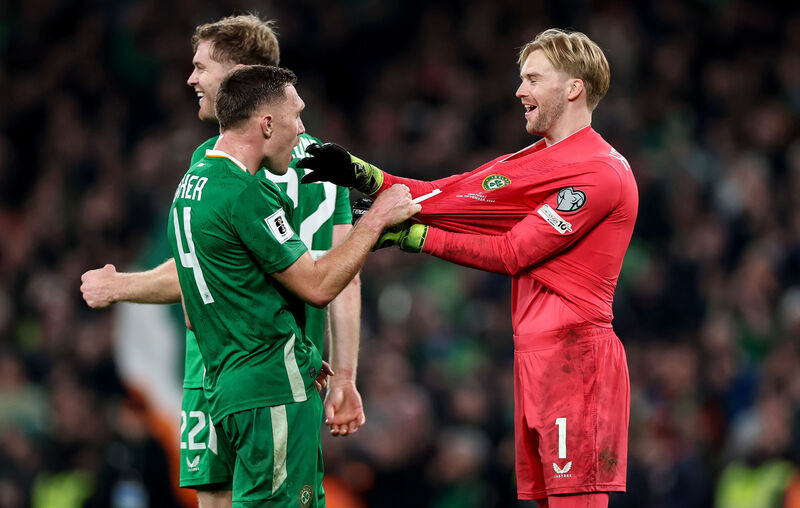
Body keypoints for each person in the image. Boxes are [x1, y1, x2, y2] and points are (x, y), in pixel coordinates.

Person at [298, 28, 637, 508]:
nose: (520, 91)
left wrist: (408, 236)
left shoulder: (600, 172)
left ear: (573, 87)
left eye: (533, 79)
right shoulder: (536, 160)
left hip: (576, 359)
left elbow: (513, 252)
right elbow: (452, 193)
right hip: (536, 359)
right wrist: (361, 173)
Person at [79, 14, 364, 508]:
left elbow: (323, 276)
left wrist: (122, 286)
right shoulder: (292, 162)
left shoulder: (262, 168)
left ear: (240, 78)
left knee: (224, 498)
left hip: (250, 364)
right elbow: (341, 276)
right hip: (262, 369)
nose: (192, 79)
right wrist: (344, 377)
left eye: (202, 68)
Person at [169, 64, 417, 506]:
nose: (303, 129)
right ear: (267, 123)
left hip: (230, 385)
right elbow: (319, 286)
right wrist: (376, 218)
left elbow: (195, 311)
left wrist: (297, 350)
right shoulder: (246, 195)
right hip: (271, 390)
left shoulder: (193, 183)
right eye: (297, 116)